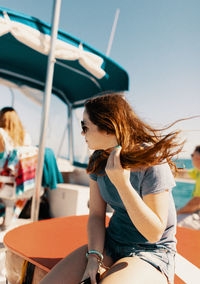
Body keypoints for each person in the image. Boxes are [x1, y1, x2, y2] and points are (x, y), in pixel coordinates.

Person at [40, 93, 183, 284]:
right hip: (111, 243)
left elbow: (154, 232)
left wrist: (122, 184)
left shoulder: (152, 162)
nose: (82, 133)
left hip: (151, 252)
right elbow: (96, 215)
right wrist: (94, 257)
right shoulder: (97, 160)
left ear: (109, 128)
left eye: (85, 127)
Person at [176, 146, 200, 229]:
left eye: (192, 155)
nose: (192, 158)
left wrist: (178, 212)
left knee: (174, 224)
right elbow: (184, 173)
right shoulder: (197, 171)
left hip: (197, 213)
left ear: (198, 157)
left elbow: (197, 202)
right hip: (196, 211)